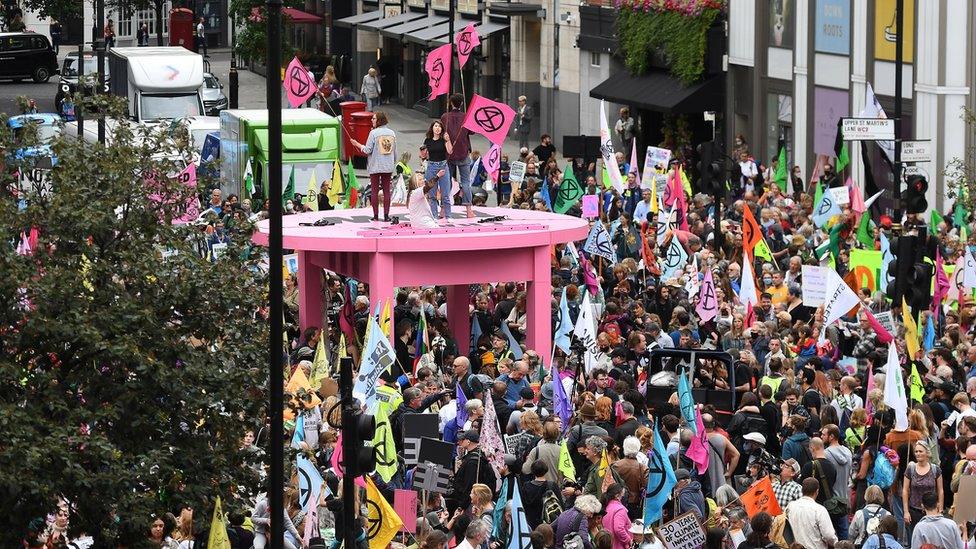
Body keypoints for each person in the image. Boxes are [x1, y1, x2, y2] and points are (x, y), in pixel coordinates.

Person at [350, 111, 397, 222]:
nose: (372, 120)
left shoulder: (374, 133)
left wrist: (357, 144)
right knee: (386, 191)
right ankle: (386, 216)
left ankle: (376, 216)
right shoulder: (392, 133)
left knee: (374, 191)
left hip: (375, 165)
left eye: (374, 119)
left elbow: (367, 150)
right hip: (388, 166)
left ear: (379, 120)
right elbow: (395, 151)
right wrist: (392, 162)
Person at [440, 93, 474, 218]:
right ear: (462, 104)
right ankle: (469, 210)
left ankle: (443, 210)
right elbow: (472, 131)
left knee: (446, 182)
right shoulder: (465, 117)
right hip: (463, 152)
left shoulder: (445, 117)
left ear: (450, 103)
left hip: (448, 153)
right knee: (465, 181)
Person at [785, 478, 837, 549]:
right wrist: (836, 543)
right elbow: (829, 535)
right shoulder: (819, 510)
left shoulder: (790, 506)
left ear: (802, 490)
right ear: (817, 491)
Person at [423, 120, 454, 220]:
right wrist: (422, 151)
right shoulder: (427, 140)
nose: (437, 128)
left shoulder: (444, 140)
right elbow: (423, 155)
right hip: (431, 166)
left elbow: (450, 151)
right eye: (436, 126)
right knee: (432, 194)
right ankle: (434, 216)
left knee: (445, 194)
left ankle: (448, 215)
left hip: (443, 166)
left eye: (439, 126)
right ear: (432, 128)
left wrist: (448, 140)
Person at [600, 484, 633, 549]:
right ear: (617, 496)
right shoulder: (620, 509)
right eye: (623, 494)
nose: (625, 496)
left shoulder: (607, 506)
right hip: (618, 545)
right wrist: (628, 540)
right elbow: (619, 529)